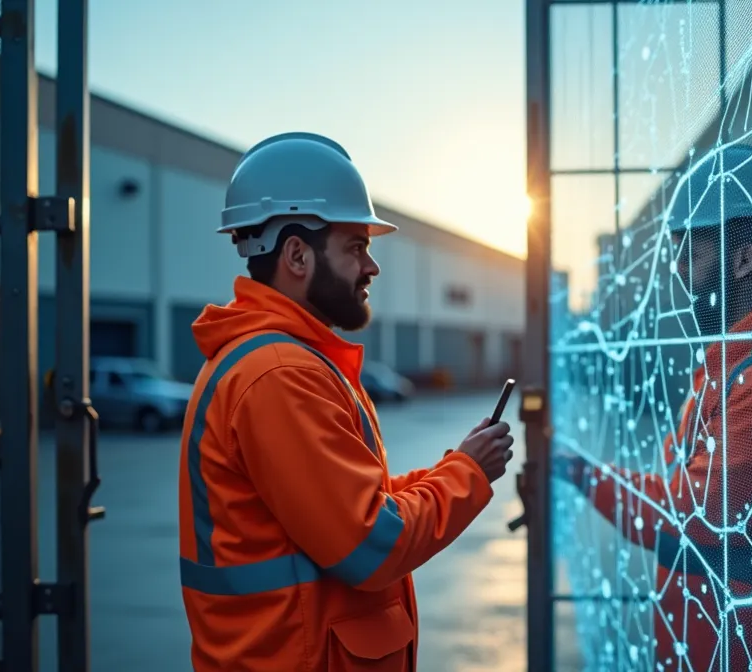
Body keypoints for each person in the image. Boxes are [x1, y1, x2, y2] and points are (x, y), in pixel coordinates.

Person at [177, 132, 515, 671]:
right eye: (356, 247)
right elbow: (369, 545)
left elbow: (356, 503)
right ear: (296, 255)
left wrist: (457, 462)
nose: (370, 267)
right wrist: (468, 476)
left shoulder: (284, 362)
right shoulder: (279, 376)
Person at [554, 145, 752, 671]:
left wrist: (584, 473)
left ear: (744, 258)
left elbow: (691, 514)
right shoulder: (738, 361)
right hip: (722, 646)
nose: (680, 274)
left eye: (692, 254)